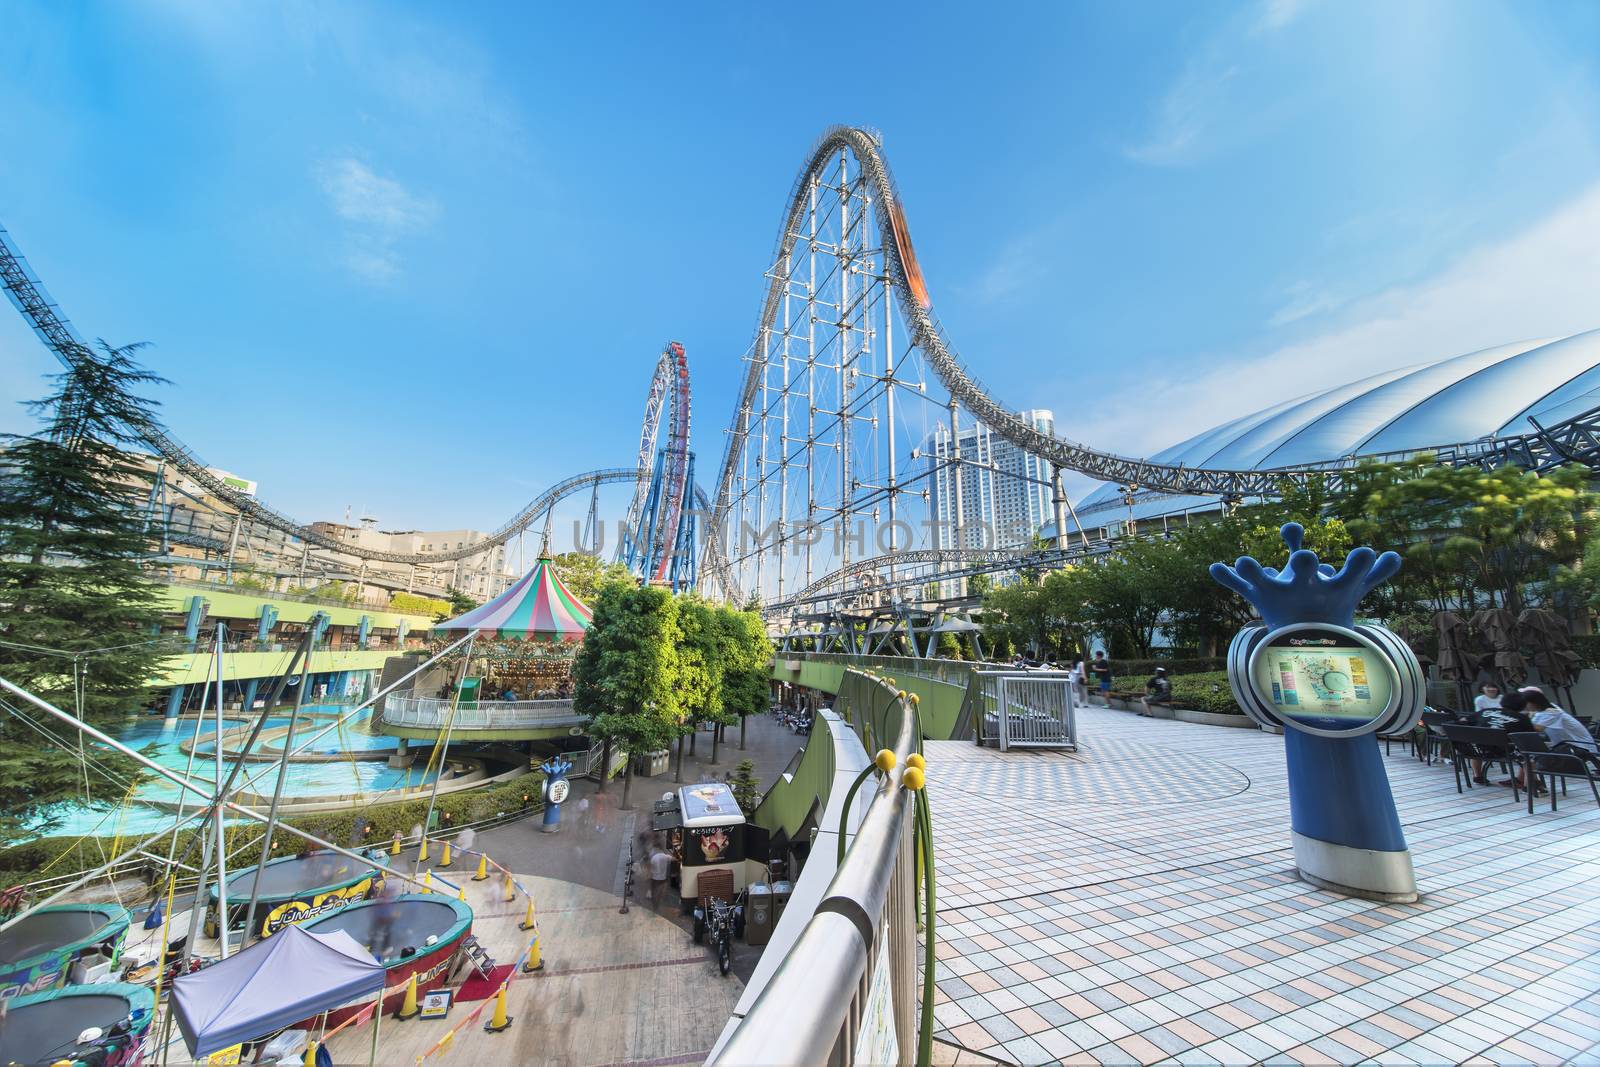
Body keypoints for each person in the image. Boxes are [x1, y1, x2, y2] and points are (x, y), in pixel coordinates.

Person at [1523, 688, 1599, 764]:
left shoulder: (1552, 712)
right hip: (1569, 747)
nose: (1525, 706)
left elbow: (1538, 728)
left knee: (1533, 761)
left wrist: (1519, 719)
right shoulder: (1541, 711)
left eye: (1526, 703)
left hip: (1582, 750)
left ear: (1534, 702)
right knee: (1530, 761)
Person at [647, 845, 673, 909]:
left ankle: (654, 903)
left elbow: (650, 868)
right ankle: (660, 900)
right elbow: (674, 859)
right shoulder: (665, 856)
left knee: (654, 890)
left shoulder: (653, 858)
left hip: (654, 878)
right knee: (660, 890)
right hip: (662, 878)